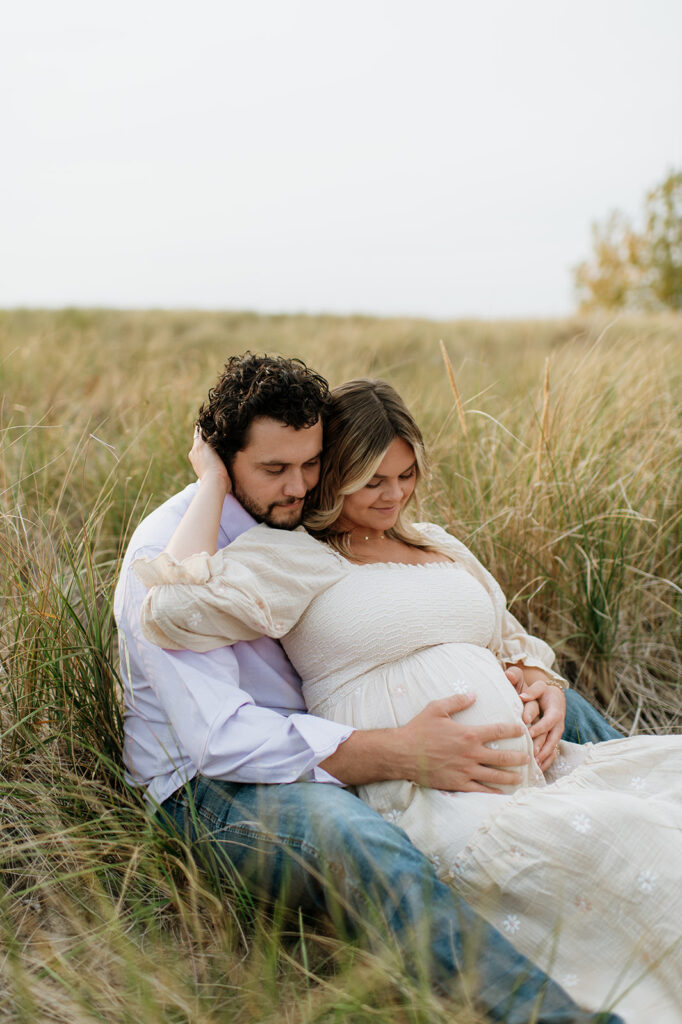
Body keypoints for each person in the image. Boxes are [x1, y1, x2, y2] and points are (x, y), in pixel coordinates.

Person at [133, 371, 682, 1024]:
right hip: (278, 779)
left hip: (482, 761)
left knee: (652, 802)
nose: (298, 485)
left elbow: (507, 634)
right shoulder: (277, 553)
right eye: (370, 480)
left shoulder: (434, 542)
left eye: (405, 474)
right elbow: (186, 650)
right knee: (604, 838)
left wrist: (541, 680)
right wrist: (211, 484)